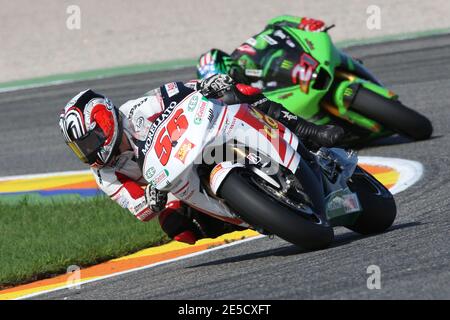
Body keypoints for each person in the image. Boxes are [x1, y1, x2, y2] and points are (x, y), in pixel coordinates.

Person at [59, 74, 344, 245]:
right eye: (79, 149)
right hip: (170, 186)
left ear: (105, 122)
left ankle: (308, 131)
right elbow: (136, 208)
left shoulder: (139, 110)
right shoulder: (104, 174)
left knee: (237, 93)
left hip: (200, 143)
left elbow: (183, 91)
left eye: (88, 143)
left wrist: (208, 84)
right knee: (176, 227)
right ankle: (252, 213)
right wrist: (150, 201)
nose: (88, 153)